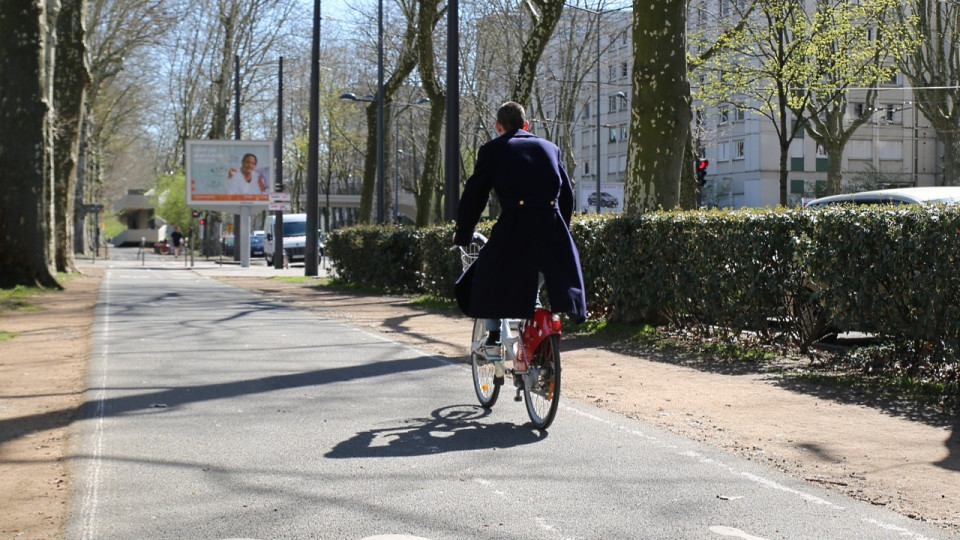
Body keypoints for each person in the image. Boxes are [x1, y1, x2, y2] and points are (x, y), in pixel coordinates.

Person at [453, 101, 587, 359]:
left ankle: (492, 339)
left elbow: (474, 195)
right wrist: (562, 232)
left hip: (516, 228)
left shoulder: (493, 150)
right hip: (553, 229)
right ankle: (539, 334)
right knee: (535, 278)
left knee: (488, 275)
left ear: (498, 127)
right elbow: (566, 197)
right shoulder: (551, 148)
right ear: (527, 125)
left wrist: (463, 233)